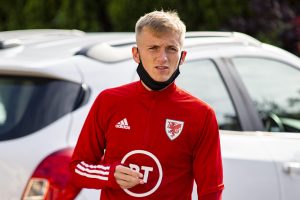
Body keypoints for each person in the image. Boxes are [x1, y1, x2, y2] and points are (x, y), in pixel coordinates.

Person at [70, 10, 224, 200]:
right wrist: (110, 174)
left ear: (182, 57)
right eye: (153, 48)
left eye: (171, 49)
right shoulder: (109, 101)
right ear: (136, 54)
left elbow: (211, 190)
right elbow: (77, 168)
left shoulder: (201, 114)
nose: (163, 58)